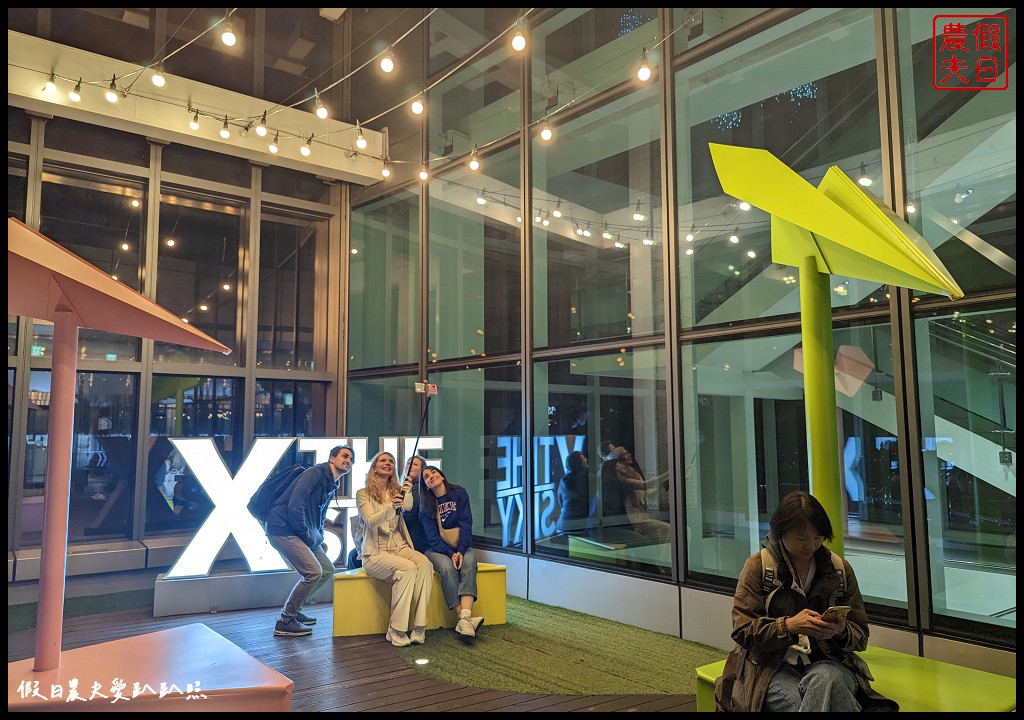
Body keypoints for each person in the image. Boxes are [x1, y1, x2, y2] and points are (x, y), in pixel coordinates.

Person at [715, 491, 896, 712]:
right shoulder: (759, 567)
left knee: (827, 680)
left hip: (830, 662)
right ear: (780, 532)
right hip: (770, 668)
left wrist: (839, 631)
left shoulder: (838, 569)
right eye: (801, 538)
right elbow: (743, 630)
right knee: (817, 700)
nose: (810, 545)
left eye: (818, 537)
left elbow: (860, 635)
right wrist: (788, 626)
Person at [265, 444, 353, 637]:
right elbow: (296, 505)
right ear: (332, 459)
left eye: (351, 459)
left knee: (327, 570)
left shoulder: (331, 484)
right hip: (283, 528)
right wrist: (306, 535)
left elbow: (319, 515)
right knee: (313, 571)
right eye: (345, 456)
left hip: (303, 532)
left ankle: (295, 610)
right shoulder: (314, 473)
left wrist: (317, 537)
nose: (349, 461)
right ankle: (285, 621)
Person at [356, 450, 434, 647]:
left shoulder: (399, 490)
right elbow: (372, 522)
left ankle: (419, 627)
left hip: (399, 545)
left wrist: (404, 492)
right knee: (407, 569)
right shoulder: (362, 494)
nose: (387, 462)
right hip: (376, 552)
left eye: (391, 460)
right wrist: (391, 506)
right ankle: (396, 629)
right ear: (374, 467)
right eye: (382, 460)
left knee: (425, 564)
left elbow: (407, 505)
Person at [418, 465, 484, 638]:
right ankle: (464, 619)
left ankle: (464, 619)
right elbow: (432, 538)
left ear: (441, 475)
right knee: (447, 568)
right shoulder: (426, 506)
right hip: (436, 549)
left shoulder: (459, 493)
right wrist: (450, 553)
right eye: (426, 476)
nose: (431, 476)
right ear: (425, 485)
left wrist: (461, 551)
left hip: (460, 546)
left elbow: (466, 524)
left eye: (433, 472)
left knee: (470, 562)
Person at [610, 446, 670, 544]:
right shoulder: (622, 479)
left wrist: (664, 485)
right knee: (668, 530)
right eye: (625, 454)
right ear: (618, 459)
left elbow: (649, 495)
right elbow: (644, 485)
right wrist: (669, 473)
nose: (629, 455)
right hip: (634, 520)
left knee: (665, 533)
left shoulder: (635, 474)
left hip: (642, 517)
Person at [556, 450, 591, 535]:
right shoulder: (590, 478)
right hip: (582, 525)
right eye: (583, 458)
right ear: (579, 463)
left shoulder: (564, 480)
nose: (586, 459)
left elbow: (561, 501)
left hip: (564, 524)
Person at [401, 455, 429, 552]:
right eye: (408, 464)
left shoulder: (419, 489)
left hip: (413, 540)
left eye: (415, 464)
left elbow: (408, 516)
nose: (410, 466)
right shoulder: (403, 488)